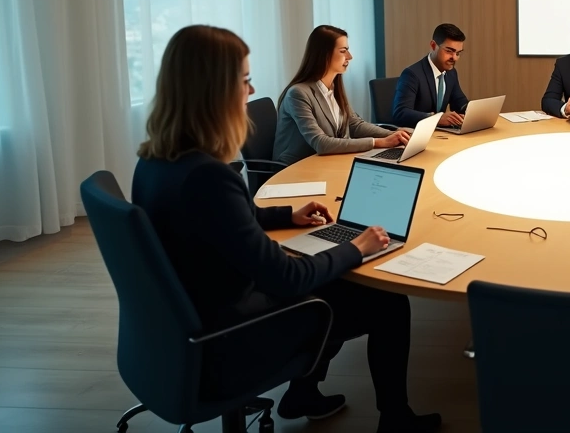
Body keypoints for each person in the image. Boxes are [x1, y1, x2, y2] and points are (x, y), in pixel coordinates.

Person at [132, 25, 440, 433]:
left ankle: (303, 393)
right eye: (244, 80)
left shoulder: (157, 162)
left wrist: (284, 216)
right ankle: (394, 420)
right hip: (233, 334)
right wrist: (358, 247)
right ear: (213, 89)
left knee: (341, 286)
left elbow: (214, 223)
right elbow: (288, 276)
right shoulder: (209, 176)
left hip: (188, 326)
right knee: (387, 302)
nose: (252, 88)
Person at [274, 25, 410, 166]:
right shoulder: (298, 94)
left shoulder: (333, 87)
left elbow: (354, 124)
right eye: (343, 51)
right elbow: (321, 143)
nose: (349, 57)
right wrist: (377, 142)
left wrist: (396, 135)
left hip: (326, 163)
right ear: (324, 54)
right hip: (295, 170)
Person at [392, 23, 470, 129]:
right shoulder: (412, 74)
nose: (454, 58)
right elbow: (400, 113)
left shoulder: (451, 73)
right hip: (415, 135)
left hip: (439, 135)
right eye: (449, 51)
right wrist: (436, 118)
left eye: (458, 53)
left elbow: (459, 102)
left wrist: (474, 112)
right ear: (433, 46)